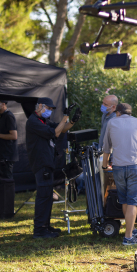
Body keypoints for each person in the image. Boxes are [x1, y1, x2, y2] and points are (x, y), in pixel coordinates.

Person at [102, 103, 137, 246]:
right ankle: (128, 237)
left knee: (125, 200)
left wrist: (104, 165)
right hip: (136, 166)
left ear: (118, 113)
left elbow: (107, 147)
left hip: (118, 167)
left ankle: (131, 229)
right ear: (130, 113)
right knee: (133, 201)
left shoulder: (111, 123)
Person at [25, 97, 78, 238]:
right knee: (43, 196)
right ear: (40, 106)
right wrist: (65, 116)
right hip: (41, 163)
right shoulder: (33, 121)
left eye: (51, 109)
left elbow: (61, 130)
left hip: (47, 163)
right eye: (48, 108)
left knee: (48, 196)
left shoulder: (44, 121)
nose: (49, 111)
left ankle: (45, 227)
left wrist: (72, 121)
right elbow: (54, 133)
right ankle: (39, 230)